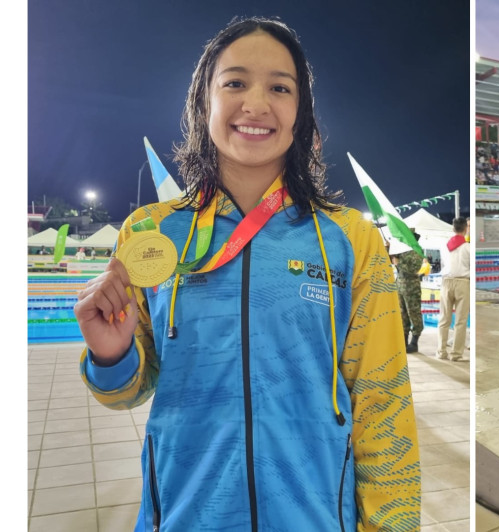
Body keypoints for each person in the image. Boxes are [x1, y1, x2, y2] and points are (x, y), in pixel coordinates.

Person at [73, 17, 420, 530]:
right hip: (186, 513)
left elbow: (382, 400)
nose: (256, 104)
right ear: (203, 101)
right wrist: (112, 354)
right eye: (234, 82)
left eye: (280, 87)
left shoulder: (350, 239)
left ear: (300, 113)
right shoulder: (150, 234)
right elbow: (126, 391)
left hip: (314, 516)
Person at [438, 217, 469, 361]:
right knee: (460, 321)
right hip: (462, 283)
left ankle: (441, 352)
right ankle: (456, 354)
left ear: (453, 228)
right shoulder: (467, 247)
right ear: (465, 229)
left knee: (444, 320)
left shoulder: (444, 246)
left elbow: (444, 264)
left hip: (446, 282)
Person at [394, 232, 425, 353]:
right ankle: (404, 341)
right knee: (402, 314)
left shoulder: (417, 250)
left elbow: (414, 269)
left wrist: (399, 263)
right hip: (401, 286)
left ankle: (414, 342)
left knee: (414, 314)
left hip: (411, 287)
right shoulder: (402, 251)